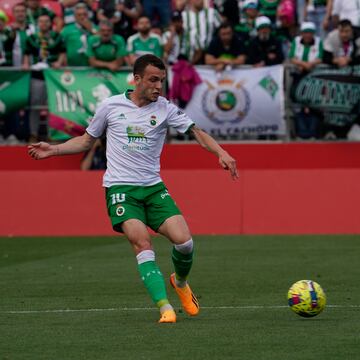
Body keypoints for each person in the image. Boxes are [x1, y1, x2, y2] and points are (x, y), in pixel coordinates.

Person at [28, 54, 238, 323]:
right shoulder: (110, 106)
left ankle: (181, 283)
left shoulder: (165, 108)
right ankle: (165, 307)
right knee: (141, 241)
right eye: (152, 80)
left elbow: (196, 132)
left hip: (153, 188)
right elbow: (85, 141)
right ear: (136, 79)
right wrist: (53, 149)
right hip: (121, 189)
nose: (158, 86)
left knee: (185, 243)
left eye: (161, 81)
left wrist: (220, 152)